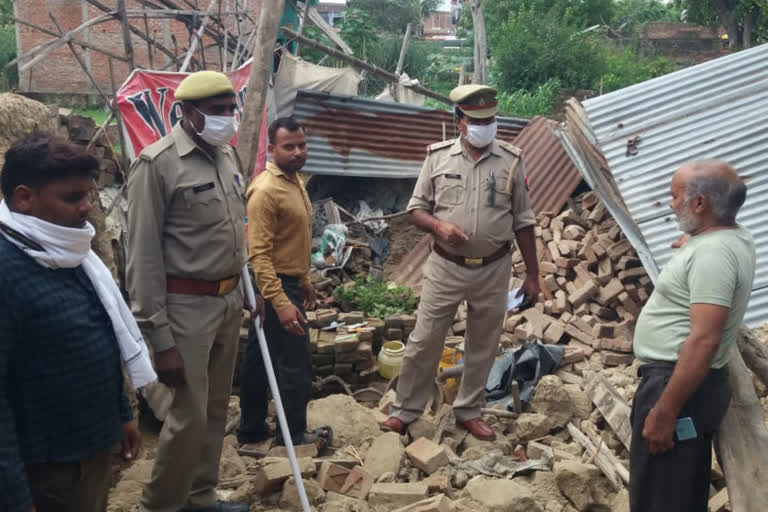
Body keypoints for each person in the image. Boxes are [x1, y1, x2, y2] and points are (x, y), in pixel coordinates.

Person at [127, 70, 261, 512]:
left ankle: (200, 496)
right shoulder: (157, 164)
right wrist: (159, 339)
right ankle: (160, 505)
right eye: (217, 111)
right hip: (184, 308)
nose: (228, 118)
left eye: (231, 110)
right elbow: (143, 256)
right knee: (187, 417)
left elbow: (233, 231)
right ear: (187, 113)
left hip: (225, 302)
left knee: (217, 409)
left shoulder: (226, 158)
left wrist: (246, 289)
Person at [382, 84, 540, 441]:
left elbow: (524, 221)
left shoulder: (512, 160)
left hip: (494, 268)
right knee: (425, 340)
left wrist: (533, 274)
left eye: (490, 119)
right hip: (445, 266)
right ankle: (406, 410)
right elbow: (416, 210)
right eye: (476, 120)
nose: (485, 126)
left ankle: (469, 409)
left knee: (483, 343)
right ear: (459, 122)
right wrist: (439, 225)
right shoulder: (437, 158)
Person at [0, 135, 148, 512]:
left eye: (88, 196)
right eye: (71, 198)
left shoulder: (70, 252)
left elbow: (100, 332)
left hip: (91, 451)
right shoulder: (8, 268)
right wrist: (14, 496)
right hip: (46, 469)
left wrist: (122, 415)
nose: (86, 208)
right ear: (23, 198)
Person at [629, 160, 755, 512]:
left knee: (661, 498)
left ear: (700, 204)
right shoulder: (728, 237)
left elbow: (704, 340)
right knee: (679, 491)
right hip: (685, 384)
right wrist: (695, 239)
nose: (670, 204)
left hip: (678, 385)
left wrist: (665, 411)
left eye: (675, 196)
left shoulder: (713, 255)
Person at [238, 117, 331, 450]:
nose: (297, 152)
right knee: (295, 365)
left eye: (301, 145)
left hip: (289, 280)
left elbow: (294, 240)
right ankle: (291, 436)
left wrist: (305, 278)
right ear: (272, 148)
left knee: (259, 359)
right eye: (288, 147)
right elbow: (259, 254)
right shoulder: (266, 191)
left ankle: (250, 428)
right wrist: (279, 300)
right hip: (274, 284)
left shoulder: (295, 182)